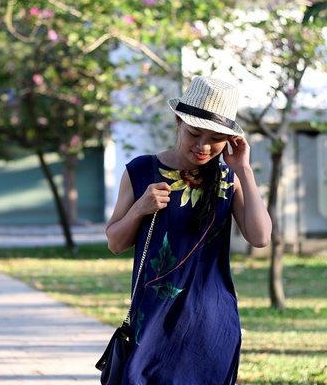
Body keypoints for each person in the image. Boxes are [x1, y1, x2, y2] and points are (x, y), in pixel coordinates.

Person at [106, 76, 272, 384]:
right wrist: (140, 209)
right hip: (152, 319)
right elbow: (115, 242)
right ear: (178, 121)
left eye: (216, 138)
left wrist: (244, 171)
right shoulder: (141, 171)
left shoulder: (228, 179)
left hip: (211, 322)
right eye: (195, 133)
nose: (204, 146)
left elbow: (260, 237)